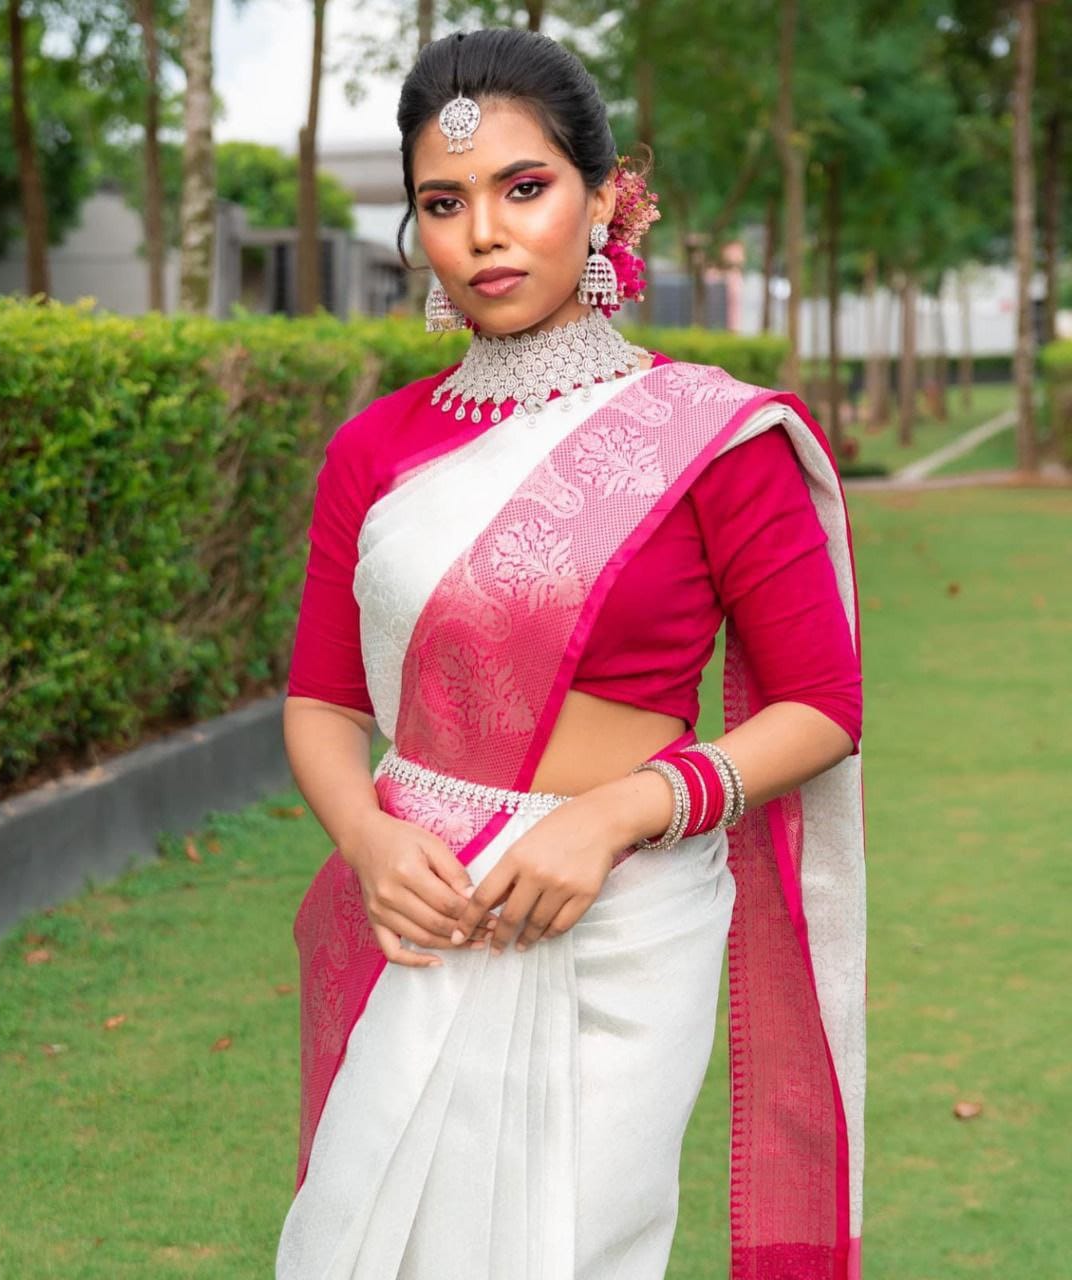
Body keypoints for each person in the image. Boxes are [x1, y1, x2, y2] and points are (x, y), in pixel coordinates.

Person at [275, 27, 866, 1280]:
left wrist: (609, 818)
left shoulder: (711, 435)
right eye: (445, 203)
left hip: (624, 918)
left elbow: (822, 704)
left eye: (523, 188)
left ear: (605, 201)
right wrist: (372, 842)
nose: (483, 232)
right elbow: (325, 703)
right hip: (425, 913)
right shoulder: (373, 452)